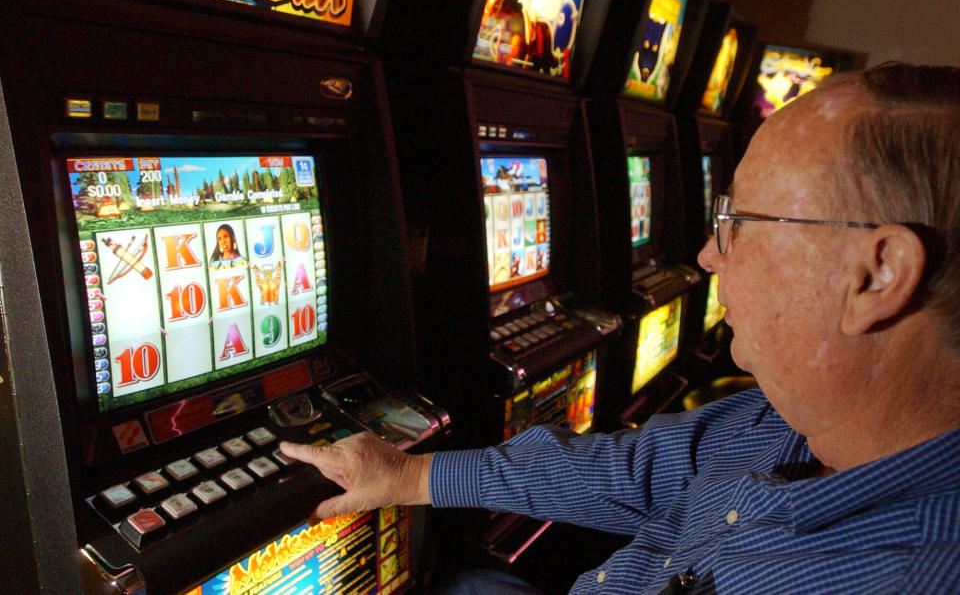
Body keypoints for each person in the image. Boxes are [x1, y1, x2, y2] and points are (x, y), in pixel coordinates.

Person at [280, 63, 960, 594]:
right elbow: (630, 471)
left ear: (876, 275)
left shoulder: (906, 574)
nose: (706, 256)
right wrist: (413, 475)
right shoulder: (794, 419)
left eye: (740, 223)